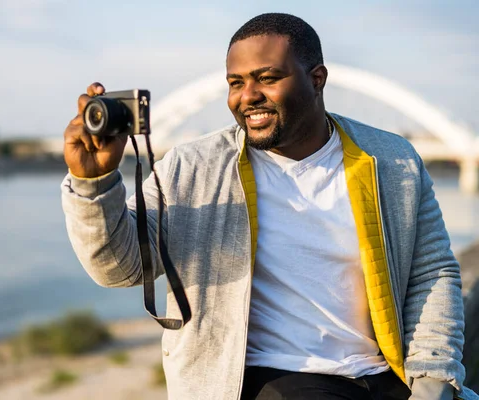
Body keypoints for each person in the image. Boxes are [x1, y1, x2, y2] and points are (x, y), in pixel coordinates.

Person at [61, 13, 477, 400]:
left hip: (389, 376)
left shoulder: (392, 159)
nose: (248, 97)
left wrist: (433, 376)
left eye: (267, 78)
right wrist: (94, 183)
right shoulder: (194, 167)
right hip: (269, 379)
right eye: (235, 82)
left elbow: (432, 271)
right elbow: (120, 269)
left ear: (317, 79)